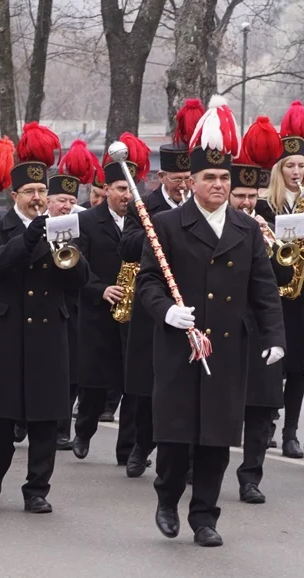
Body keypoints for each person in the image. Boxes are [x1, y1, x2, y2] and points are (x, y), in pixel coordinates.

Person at [137, 96, 285, 547]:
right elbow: (147, 284)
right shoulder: (165, 225)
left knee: (217, 438)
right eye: (209, 177)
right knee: (178, 434)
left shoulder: (246, 229)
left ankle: (205, 516)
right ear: (192, 182)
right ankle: (167, 499)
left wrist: (275, 336)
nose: (219, 184)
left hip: (226, 349)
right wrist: (167, 311)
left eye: (224, 177)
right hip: (180, 346)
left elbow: (264, 288)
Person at [0, 123, 89, 513]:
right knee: (1, 416)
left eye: (42, 192)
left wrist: (63, 246)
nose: (38, 198)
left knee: (45, 418)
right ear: (14, 194)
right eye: (30, 193)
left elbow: (81, 279)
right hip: (6, 330)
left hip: (49, 330)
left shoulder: (63, 227)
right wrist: (30, 238)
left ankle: (37, 489)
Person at [119, 134, 194, 477]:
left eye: (187, 179)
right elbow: (127, 246)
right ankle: (141, 445)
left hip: (190, 302)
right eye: (176, 179)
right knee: (150, 387)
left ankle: (189, 457)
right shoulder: (144, 206)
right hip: (154, 305)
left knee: (189, 385)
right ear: (162, 178)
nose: (182, 185)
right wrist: (155, 230)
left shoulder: (199, 205)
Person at [256, 101, 304, 459]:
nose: (296, 171)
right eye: (290, 166)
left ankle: (291, 433)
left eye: (301, 166)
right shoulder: (264, 205)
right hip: (273, 290)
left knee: (297, 367)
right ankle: (266, 424)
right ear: (279, 169)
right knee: (272, 365)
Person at [71, 143, 143, 466]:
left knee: (132, 386)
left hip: (132, 316)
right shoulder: (87, 221)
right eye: (120, 189)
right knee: (95, 385)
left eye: (130, 189)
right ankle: (83, 431)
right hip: (98, 313)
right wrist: (100, 290)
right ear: (105, 189)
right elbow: (75, 264)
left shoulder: (142, 221)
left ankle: (126, 449)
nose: (126, 195)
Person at [227, 158, 283, 503]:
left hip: (260, 329)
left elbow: (284, 281)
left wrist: (271, 247)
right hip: (224, 326)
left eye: (252, 196)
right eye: (240, 196)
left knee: (262, 408)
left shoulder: (267, 227)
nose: (247, 203)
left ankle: (251, 477)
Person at [46, 153, 86, 451]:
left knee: (69, 370)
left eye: (71, 201)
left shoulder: (80, 227)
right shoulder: (36, 226)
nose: (67, 206)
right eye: (61, 200)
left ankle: (62, 428)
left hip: (71, 306)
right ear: (48, 200)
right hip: (40, 305)